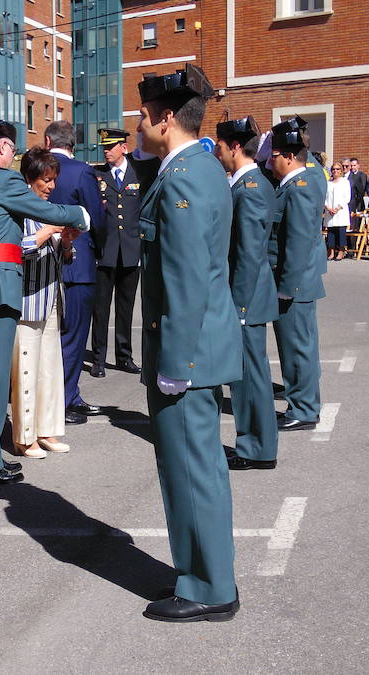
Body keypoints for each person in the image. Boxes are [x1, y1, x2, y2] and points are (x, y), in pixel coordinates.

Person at [135, 64, 242, 623]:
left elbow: (186, 277)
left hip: (187, 351)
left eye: (144, 115)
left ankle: (207, 586)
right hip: (195, 346)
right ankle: (204, 571)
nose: (138, 123)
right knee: (196, 468)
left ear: (166, 117)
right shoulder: (198, 169)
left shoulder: (182, 178)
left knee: (192, 470)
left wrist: (175, 361)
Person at [0, 117, 87, 474]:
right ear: (4, 147)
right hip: (2, 282)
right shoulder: (2, 178)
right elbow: (46, 212)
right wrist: (80, 215)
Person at [214, 116, 279, 471]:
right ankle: (254, 443)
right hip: (248, 298)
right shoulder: (247, 184)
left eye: (221, 147)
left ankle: (257, 447)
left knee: (251, 378)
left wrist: (237, 305)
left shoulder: (250, 188)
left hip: (247, 300)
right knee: (248, 376)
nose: (218, 153)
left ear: (235, 146)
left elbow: (250, 254)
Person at [10, 148, 78, 458]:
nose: (50, 186)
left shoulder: (49, 207)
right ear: (29, 178)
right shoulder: (21, 210)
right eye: (44, 180)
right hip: (28, 300)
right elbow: (18, 249)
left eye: (52, 180)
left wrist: (66, 243)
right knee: (27, 369)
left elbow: (64, 258)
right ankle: (24, 437)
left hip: (52, 298)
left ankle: (48, 429)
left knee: (51, 367)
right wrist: (48, 230)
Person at [44, 120, 106, 424]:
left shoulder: (34, 167)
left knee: (51, 336)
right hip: (77, 263)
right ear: (73, 144)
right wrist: (100, 251)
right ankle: (64, 399)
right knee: (73, 335)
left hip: (42, 260)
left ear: (47, 141)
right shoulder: (81, 171)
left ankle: (70, 393)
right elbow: (97, 218)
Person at [269, 118, 328, 432]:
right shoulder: (295, 183)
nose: (271, 160)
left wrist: (286, 286)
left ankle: (304, 409)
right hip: (293, 282)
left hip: (294, 284)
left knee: (298, 349)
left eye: (275, 155)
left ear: (290, 157)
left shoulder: (302, 185)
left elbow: (298, 241)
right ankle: (300, 401)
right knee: (295, 348)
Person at [89, 128, 143, 379]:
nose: (106, 151)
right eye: (104, 148)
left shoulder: (137, 174)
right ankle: (98, 359)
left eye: (111, 147)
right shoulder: (97, 175)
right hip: (105, 252)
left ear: (124, 147)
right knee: (101, 309)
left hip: (131, 252)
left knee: (126, 308)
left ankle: (124, 356)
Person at [324, 161, 352, 260]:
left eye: (337, 169)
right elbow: (325, 197)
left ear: (341, 171)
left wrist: (338, 208)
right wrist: (327, 207)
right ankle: (331, 252)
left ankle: (340, 252)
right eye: (333, 169)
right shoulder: (328, 183)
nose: (335, 171)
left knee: (340, 232)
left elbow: (347, 197)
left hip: (340, 211)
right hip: (330, 211)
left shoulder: (345, 182)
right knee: (331, 232)